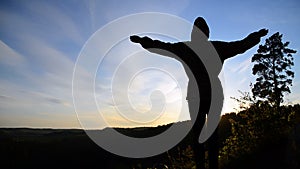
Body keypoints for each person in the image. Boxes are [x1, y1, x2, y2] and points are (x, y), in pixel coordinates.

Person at [130, 17, 268, 169]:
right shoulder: (215, 48)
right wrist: (256, 36)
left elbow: (162, 47)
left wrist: (143, 41)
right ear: (207, 33)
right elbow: (240, 45)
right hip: (212, 94)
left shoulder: (187, 48)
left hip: (199, 95)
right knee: (209, 136)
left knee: (200, 136)